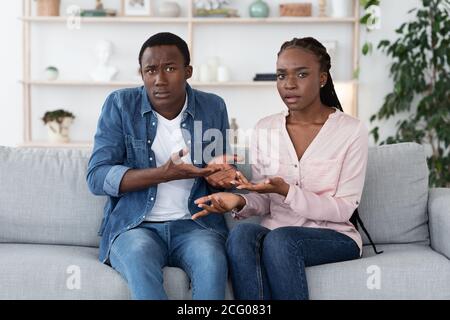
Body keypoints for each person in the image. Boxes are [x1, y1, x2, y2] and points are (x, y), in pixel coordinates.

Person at [193, 37, 369, 300]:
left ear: (322, 78)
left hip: (333, 236)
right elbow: (265, 200)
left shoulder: (351, 131)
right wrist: (238, 200)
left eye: (301, 74)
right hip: (278, 232)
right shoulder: (265, 128)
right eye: (281, 75)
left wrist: (288, 191)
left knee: (281, 240)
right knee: (242, 235)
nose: (289, 84)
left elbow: (344, 207)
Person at [86, 32, 236, 300]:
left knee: (212, 263)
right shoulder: (120, 105)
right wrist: (163, 175)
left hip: (196, 225)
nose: (159, 79)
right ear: (141, 73)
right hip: (136, 226)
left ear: (188, 71)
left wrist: (222, 176)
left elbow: (218, 169)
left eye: (170, 68)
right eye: (151, 70)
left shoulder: (212, 106)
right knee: (139, 258)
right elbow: (97, 176)